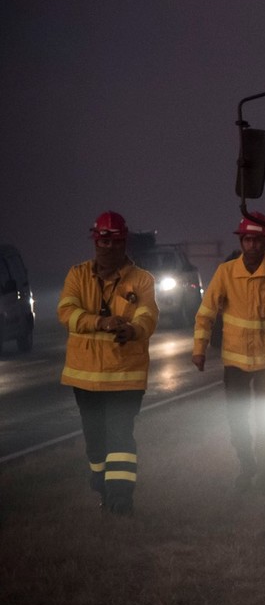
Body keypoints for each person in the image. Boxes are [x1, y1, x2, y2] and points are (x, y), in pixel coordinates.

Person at [192, 213, 265, 493]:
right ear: (241, 241)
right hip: (235, 362)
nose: (253, 245)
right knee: (237, 421)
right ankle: (246, 465)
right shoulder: (225, 273)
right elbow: (205, 314)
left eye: (258, 240)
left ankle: (264, 473)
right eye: (248, 239)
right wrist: (199, 350)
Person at [59, 211, 159, 516]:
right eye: (102, 240)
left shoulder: (141, 280)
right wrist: (100, 322)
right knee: (95, 443)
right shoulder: (77, 275)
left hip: (124, 378)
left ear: (123, 242)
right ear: (94, 241)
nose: (107, 247)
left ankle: (120, 501)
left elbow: (147, 315)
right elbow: (66, 312)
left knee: (120, 437)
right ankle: (101, 486)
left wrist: (132, 329)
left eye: (114, 241)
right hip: (85, 378)